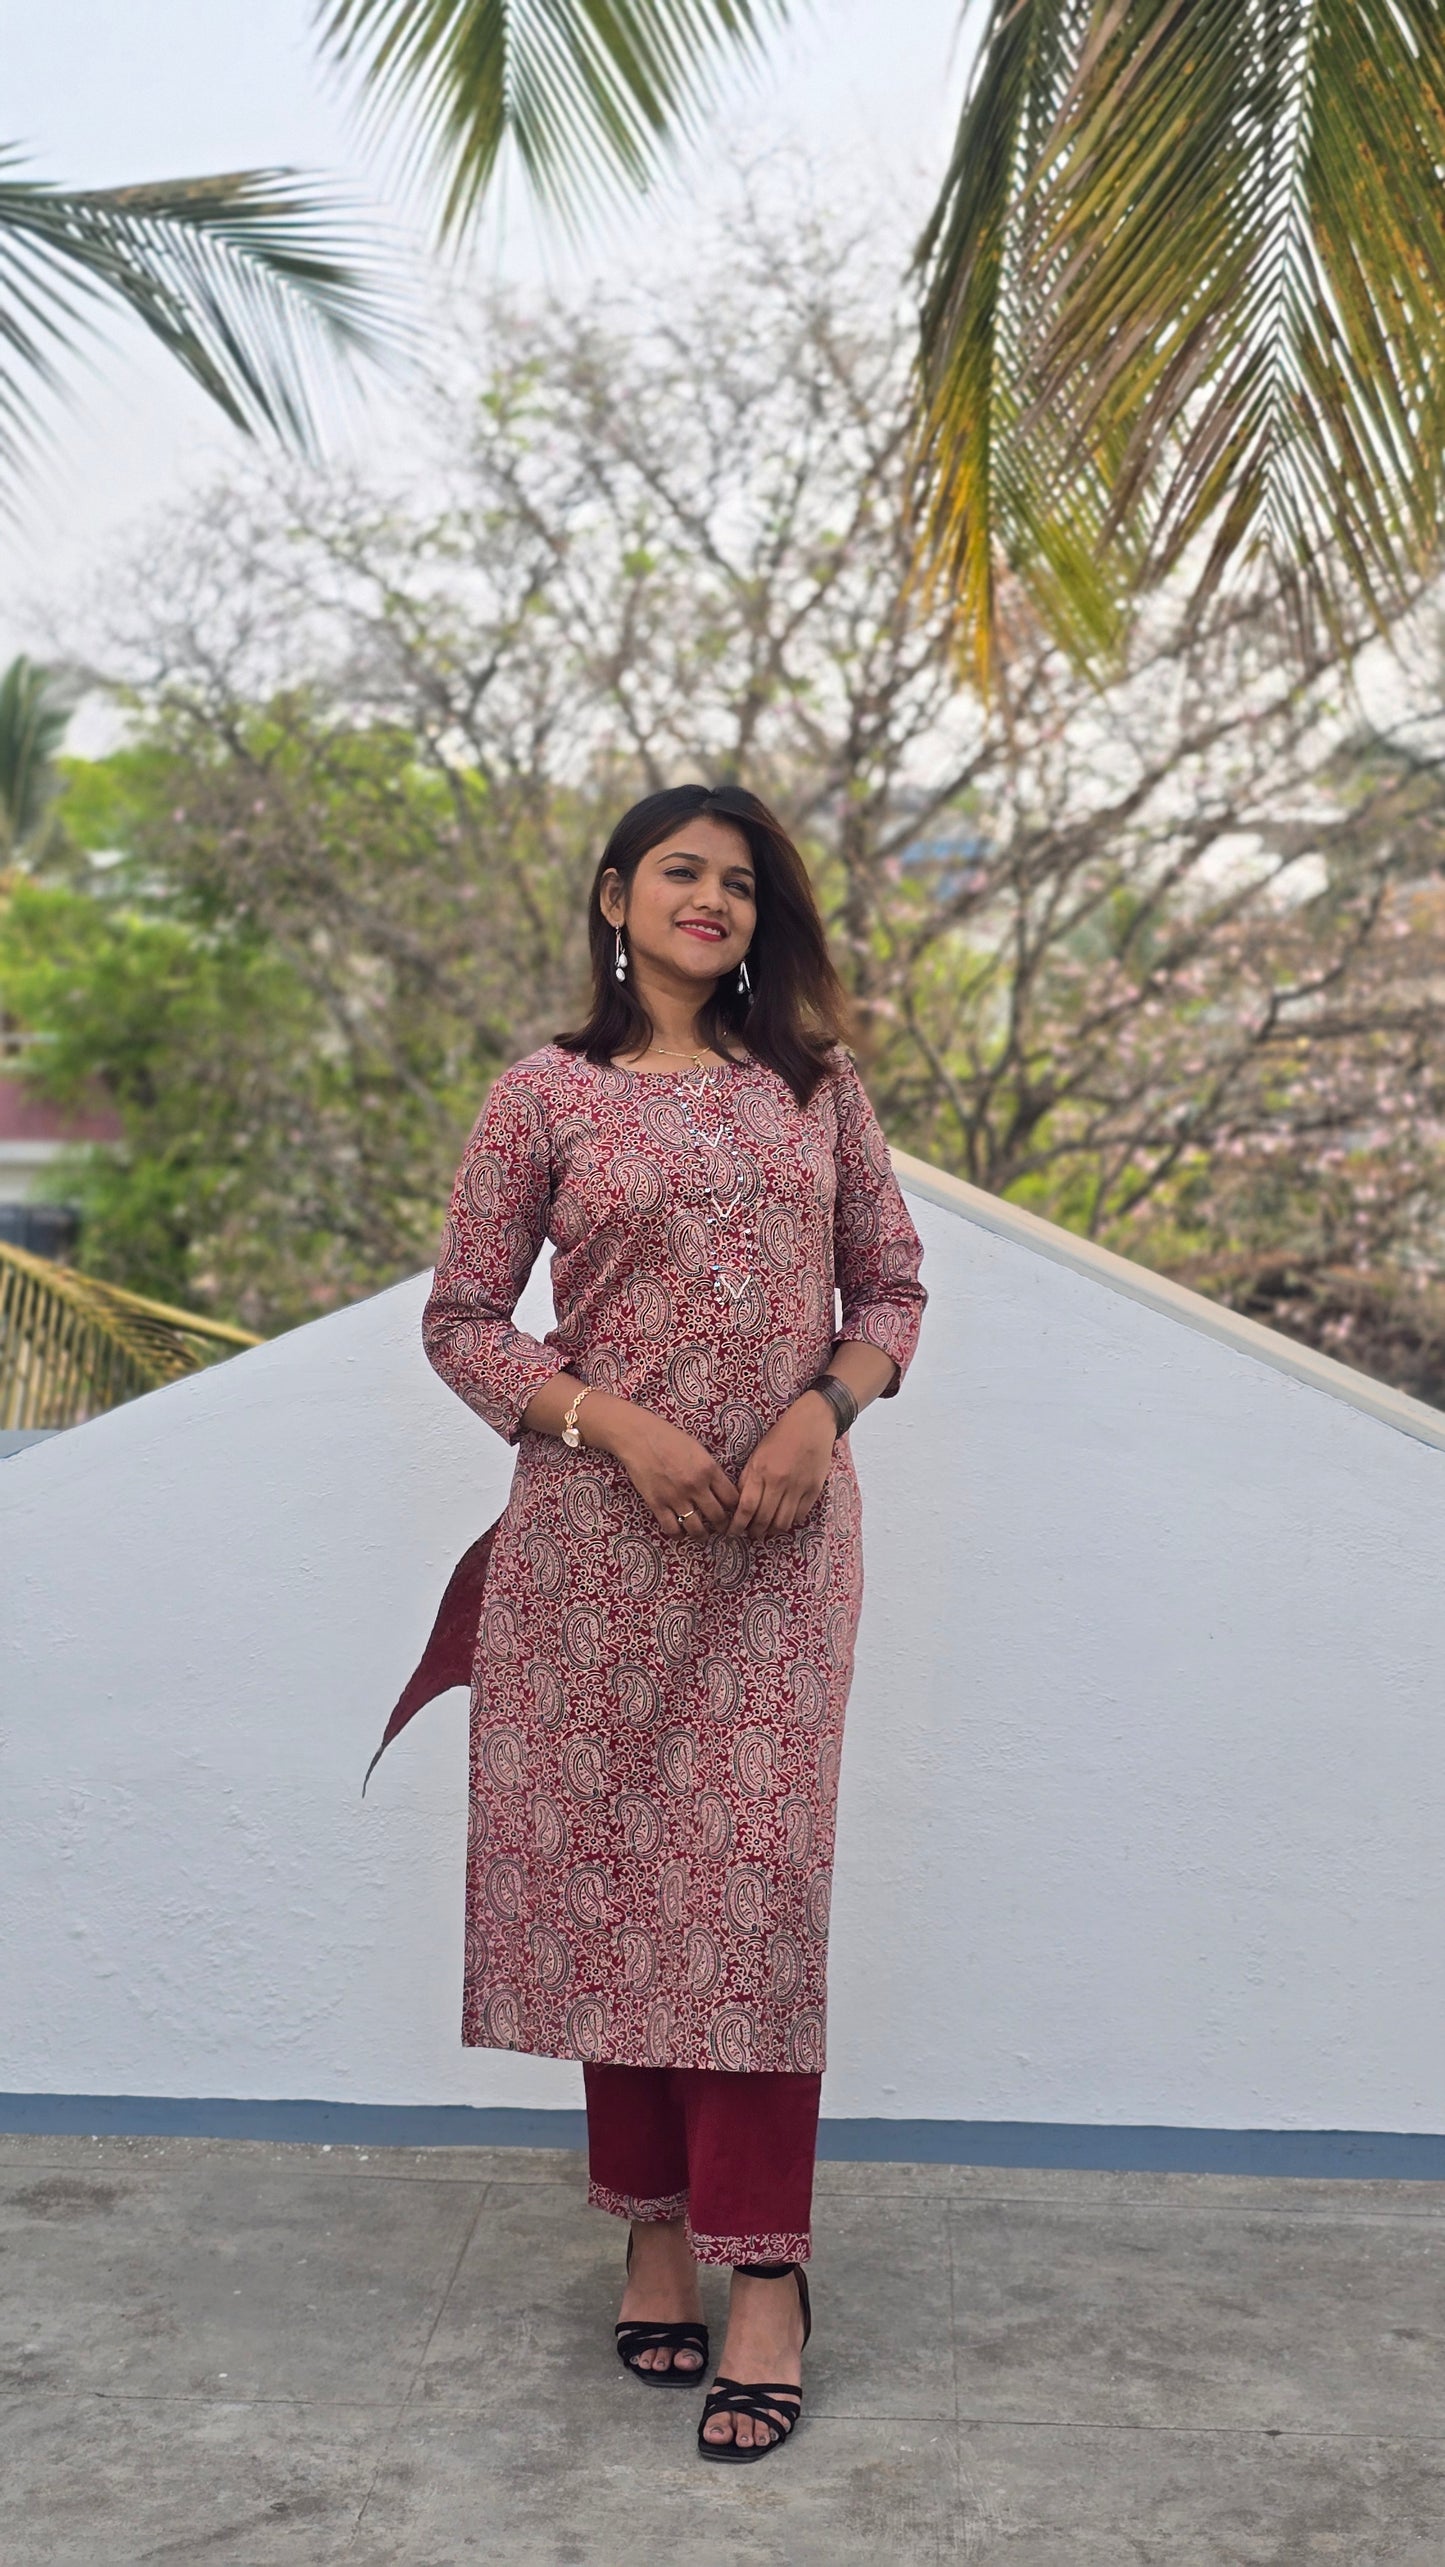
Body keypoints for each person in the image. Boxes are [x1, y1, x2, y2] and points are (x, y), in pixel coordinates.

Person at [420, 781, 928, 2462]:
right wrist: (614, 1428)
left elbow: (893, 1286)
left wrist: (818, 1414)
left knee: (749, 1905)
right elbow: (465, 1320)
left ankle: (764, 2274)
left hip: (777, 1556)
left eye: (737, 881)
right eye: (680, 873)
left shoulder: (813, 1088)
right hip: (592, 1557)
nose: (709, 900)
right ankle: (652, 2233)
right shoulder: (543, 1093)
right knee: (618, 1890)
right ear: (617, 894)